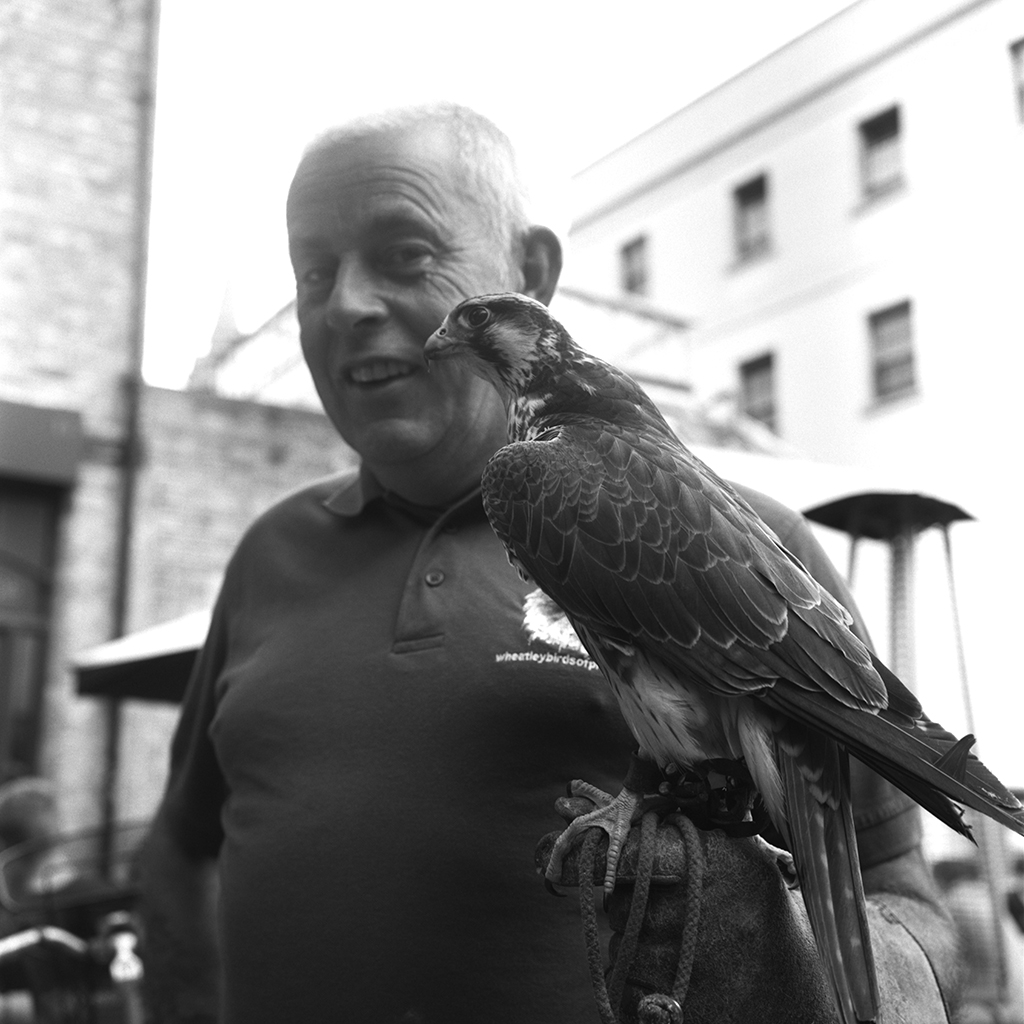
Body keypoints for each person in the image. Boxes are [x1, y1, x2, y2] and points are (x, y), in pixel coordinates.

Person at [138, 103, 961, 1024]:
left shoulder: (742, 533)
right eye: (312, 272)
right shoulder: (265, 555)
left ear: (531, 275)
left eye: (406, 255)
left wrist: (812, 975)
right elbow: (176, 854)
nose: (349, 304)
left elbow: (907, 904)